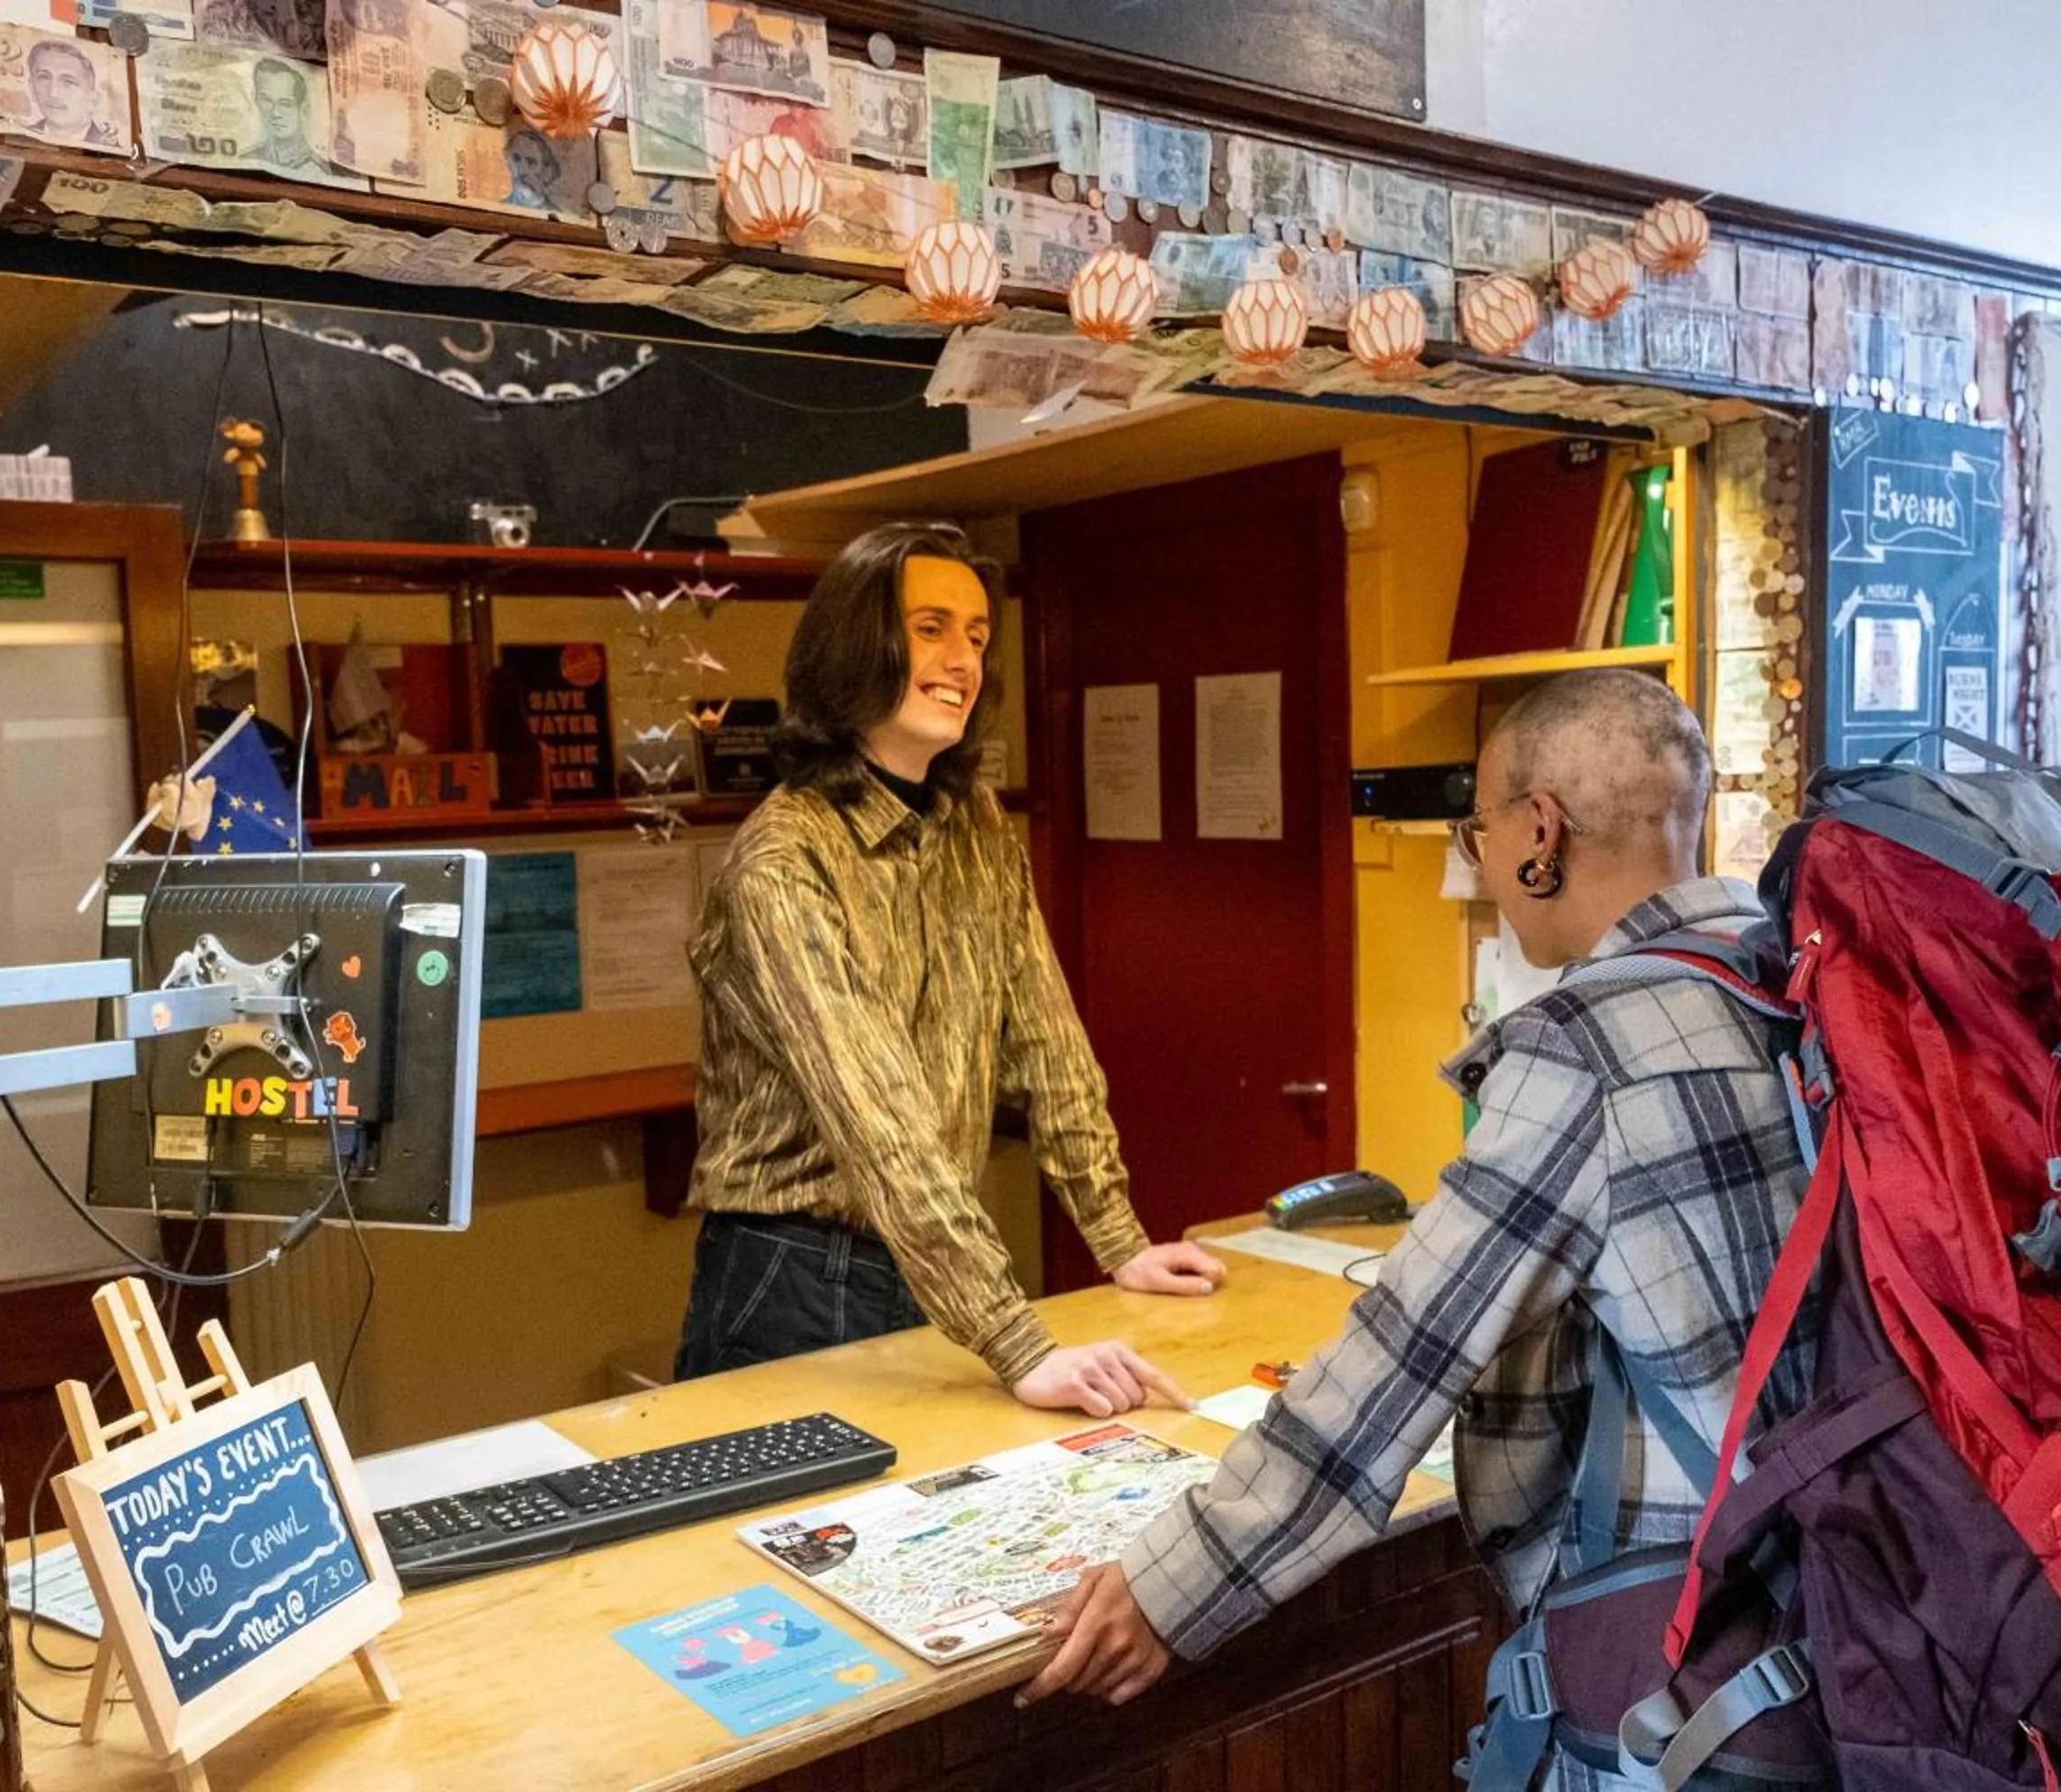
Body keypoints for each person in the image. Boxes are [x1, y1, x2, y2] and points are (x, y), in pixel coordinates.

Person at [1024, 669, 1817, 1726]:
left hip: (1676, 1653)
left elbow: (1392, 1366)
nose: (1479, 857)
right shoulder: (1785, 980)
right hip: (1829, 1590)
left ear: (1542, 830)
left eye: (1478, 826)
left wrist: (1167, 1588)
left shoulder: (1587, 1051)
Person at [679, 521, 1226, 1417]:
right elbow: (879, 1119)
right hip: (793, 1273)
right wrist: (1016, 1340)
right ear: (858, 643)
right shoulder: (782, 862)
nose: (962, 658)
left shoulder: (971, 822)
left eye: (976, 634)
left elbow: (1051, 1045)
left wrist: (1119, 1237)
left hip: (931, 1256)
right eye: (930, 627)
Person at [25, 40, 115, 150]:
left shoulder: (109, 149)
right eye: (44, 78)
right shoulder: (21, 137)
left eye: (68, 82)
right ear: (32, 88)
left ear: (92, 99)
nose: (54, 93)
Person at [250, 56, 316, 175]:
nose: (275, 113)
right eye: (267, 101)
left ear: (303, 109)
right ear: (255, 99)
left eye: (285, 104)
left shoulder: (319, 169)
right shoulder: (248, 157)